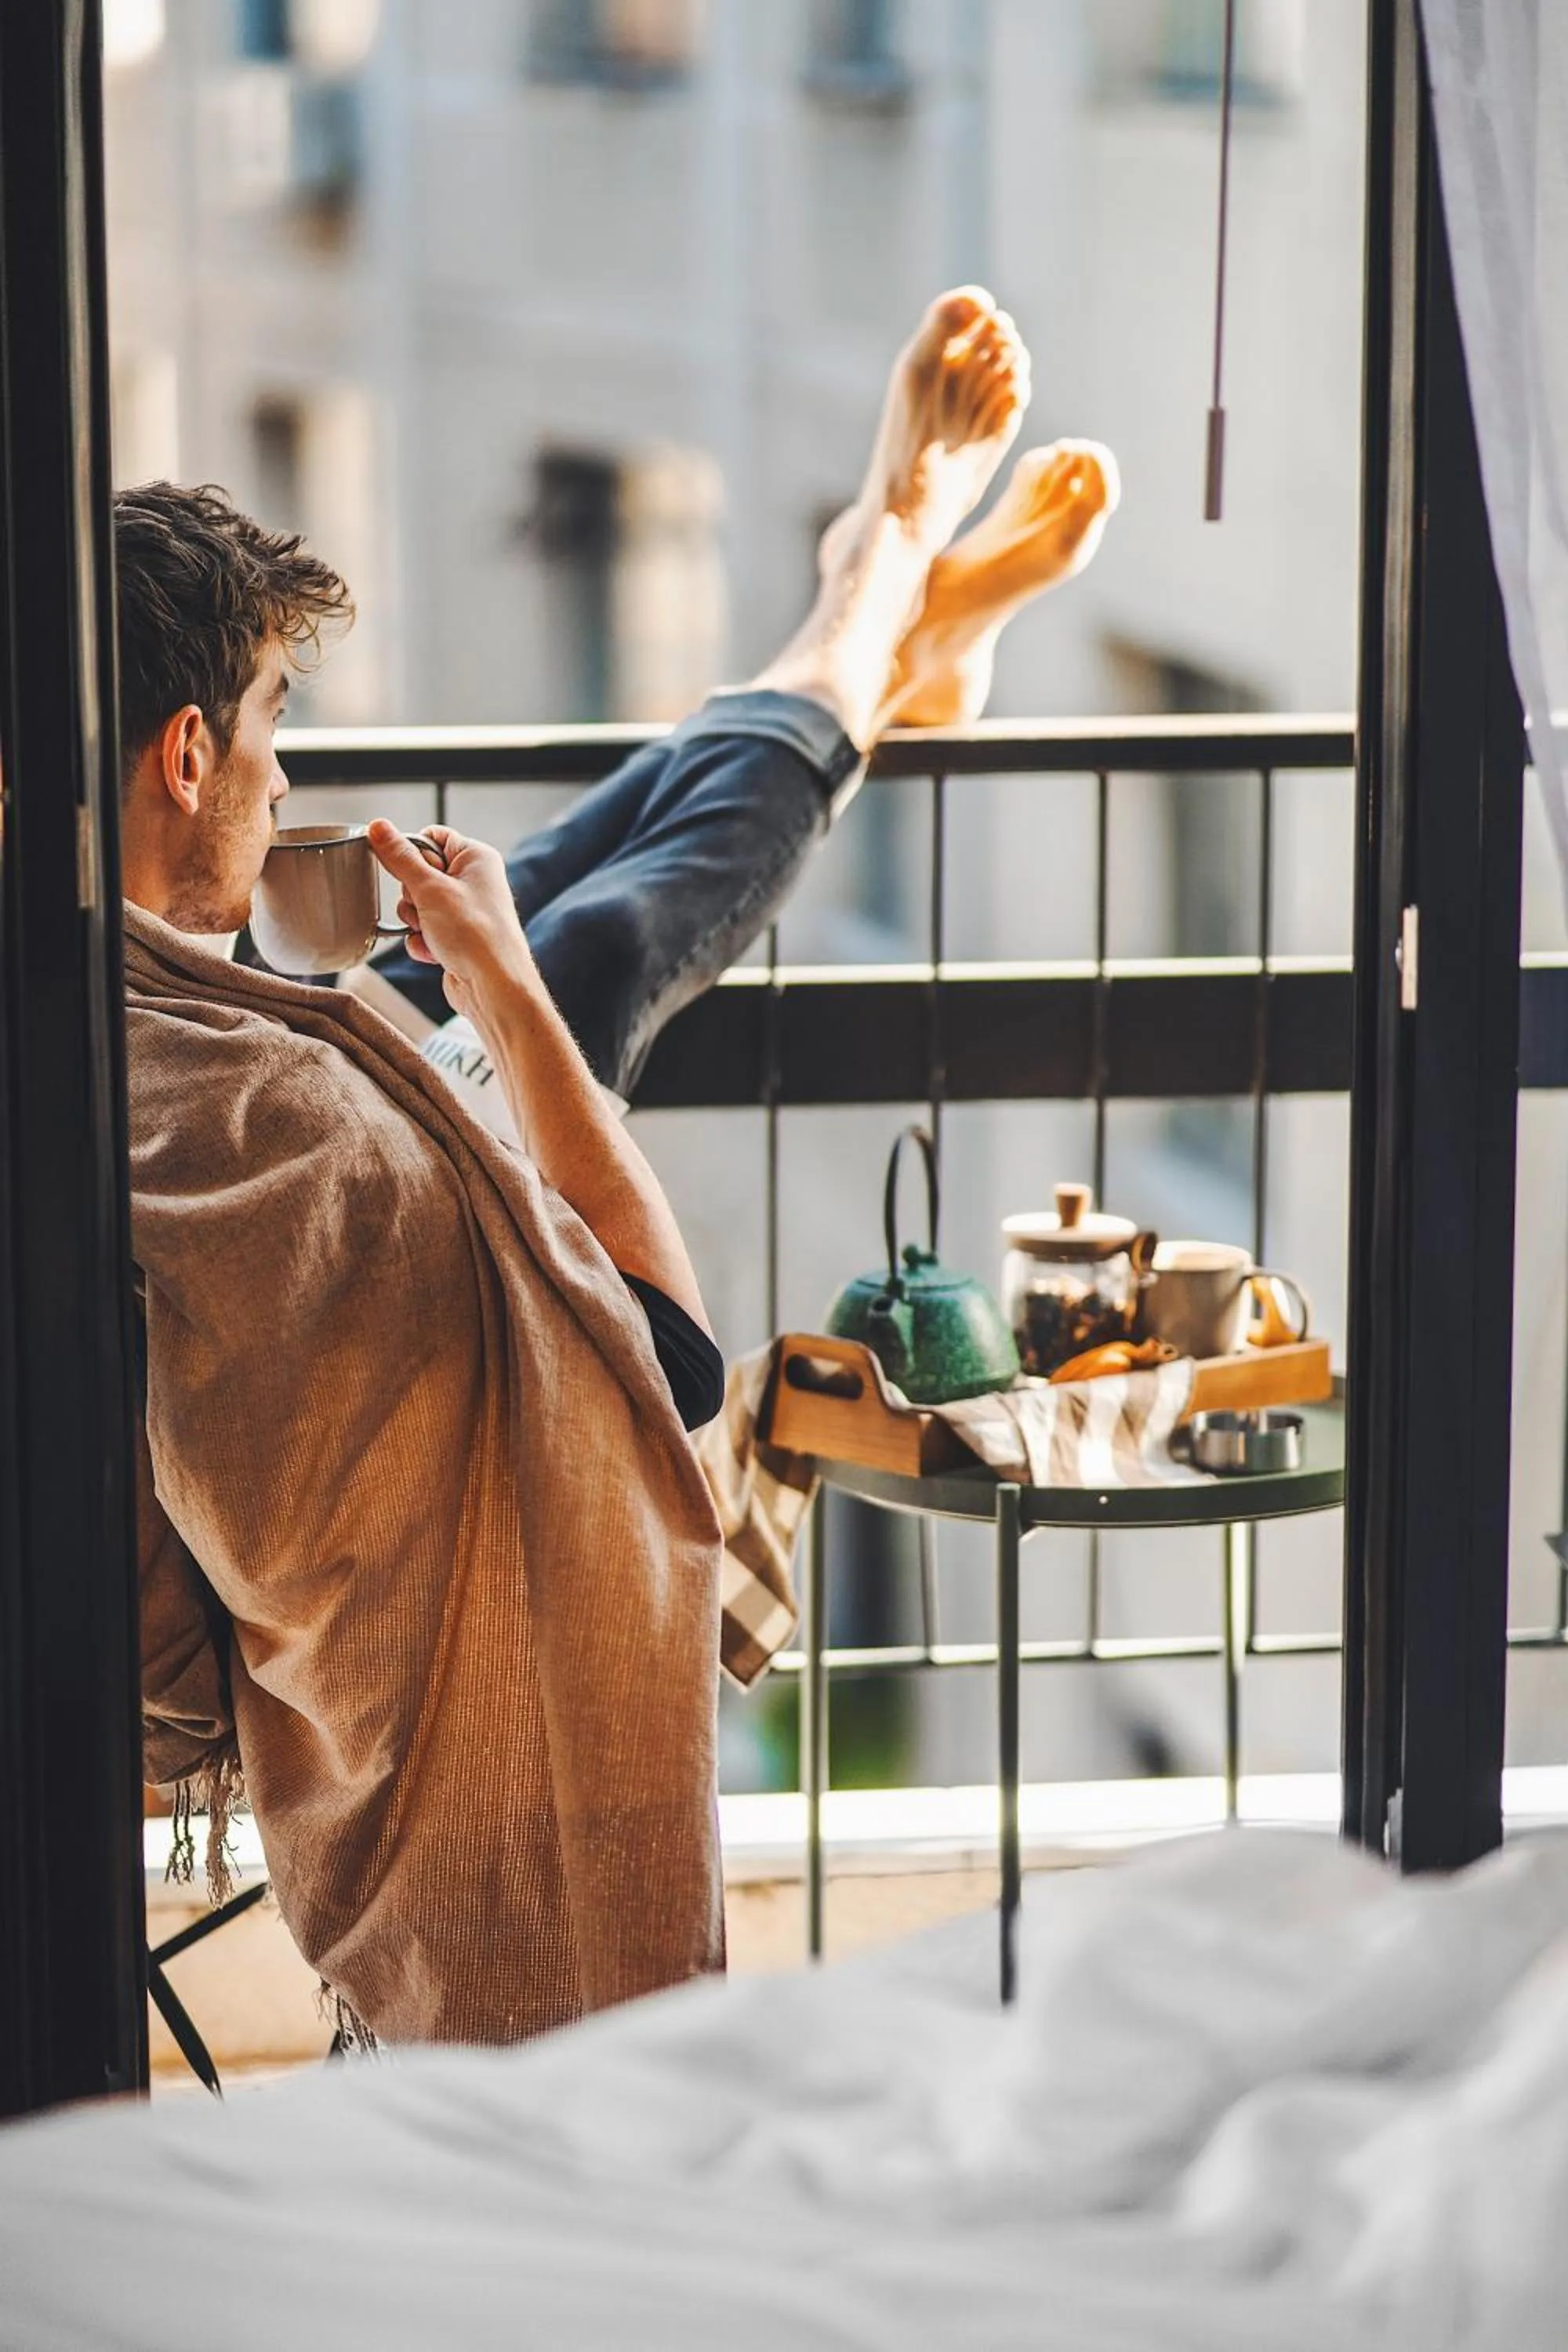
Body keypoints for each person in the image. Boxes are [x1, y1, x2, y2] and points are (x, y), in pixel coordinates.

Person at [121, 289, 1117, 2045]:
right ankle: (875, 585)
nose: (284, 785)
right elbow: (657, 1359)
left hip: (297, 1046)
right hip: (364, 1123)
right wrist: (502, 1002)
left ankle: (871, 641)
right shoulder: (286, 1140)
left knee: (586, 881)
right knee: (605, 932)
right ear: (189, 752)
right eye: (273, 726)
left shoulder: (116, 1000)